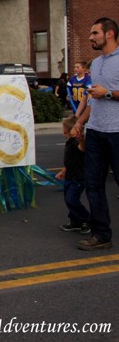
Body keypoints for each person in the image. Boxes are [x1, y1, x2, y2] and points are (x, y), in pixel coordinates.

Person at [71, 17, 119, 251]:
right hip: (96, 132)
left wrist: (108, 93)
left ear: (109, 34)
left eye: (95, 33)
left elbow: (103, 94)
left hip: (117, 132)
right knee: (93, 184)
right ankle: (101, 234)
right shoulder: (97, 64)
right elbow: (93, 98)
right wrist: (80, 122)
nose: (91, 37)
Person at [56, 116, 90, 235]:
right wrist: (63, 171)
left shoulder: (76, 142)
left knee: (72, 199)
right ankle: (75, 221)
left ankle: (87, 219)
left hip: (78, 177)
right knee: (68, 199)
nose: (63, 131)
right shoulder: (69, 142)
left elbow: (82, 148)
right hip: (70, 176)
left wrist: (81, 139)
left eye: (64, 129)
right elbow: (70, 160)